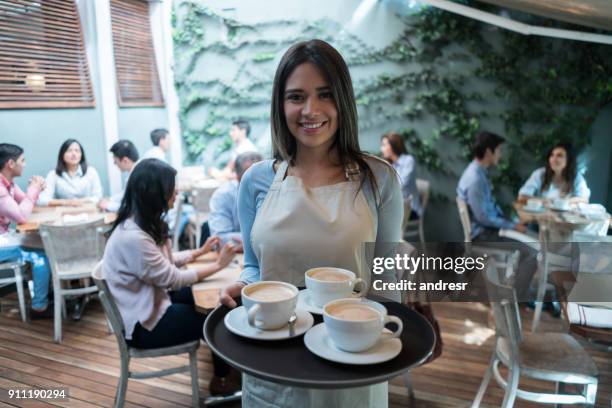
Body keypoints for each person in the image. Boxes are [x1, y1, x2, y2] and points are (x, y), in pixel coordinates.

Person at [219, 39, 403, 408]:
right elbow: (256, 267)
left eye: (324, 94)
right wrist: (242, 285)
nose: (310, 110)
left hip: (353, 363)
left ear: (343, 101)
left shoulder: (379, 179)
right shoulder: (255, 180)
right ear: (280, 104)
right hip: (273, 363)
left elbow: (387, 280)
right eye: (296, 97)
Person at [103, 158, 240, 395]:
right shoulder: (133, 237)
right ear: (153, 193)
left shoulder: (139, 224)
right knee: (216, 318)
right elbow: (172, 278)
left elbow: (163, 262)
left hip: (152, 302)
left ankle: (225, 372)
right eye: (170, 189)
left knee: (211, 299)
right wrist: (218, 265)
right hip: (144, 325)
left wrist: (200, 252)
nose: (176, 193)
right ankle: (222, 381)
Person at [0, 143, 52, 318]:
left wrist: (36, 189)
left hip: (5, 237)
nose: (25, 164)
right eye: (22, 160)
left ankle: (44, 293)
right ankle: (39, 307)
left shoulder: (8, 184)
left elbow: (28, 202)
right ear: (10, 164)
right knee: (41, 257)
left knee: (45, 244)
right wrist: (33, 190)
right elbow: (21, 216)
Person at [457, 131, 527, 241]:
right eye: (499, 150)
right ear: (489, 152)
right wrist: (512, 226)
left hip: (489, 228)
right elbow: (483, 218)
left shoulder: (479, 172)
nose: (500, 154)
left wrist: (510, 223)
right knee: (530, 244)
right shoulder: (475, 179)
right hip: (483, 234)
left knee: (527, 233)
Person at [208, 152, 263, 247]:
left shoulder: (274, 192)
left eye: (262, 175)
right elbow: (219, 238)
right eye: (252, 177)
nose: (259, 181)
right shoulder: (223, 196)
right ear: (237, 178)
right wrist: (261, 241)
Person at [518, 141, 590, 204]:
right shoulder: (540, 173)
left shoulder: (576, 176)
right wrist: (547, 202)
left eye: (559, 156)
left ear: (569, 160)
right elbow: (522, 197)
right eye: (552, 155)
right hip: (542, 216)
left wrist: (564, 202)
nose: (553, 159)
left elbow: (584, 199)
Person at [37, 139, 103, 206]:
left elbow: (98, 197)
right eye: (69, 151)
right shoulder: (53, 174)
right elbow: (42, 200)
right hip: (62, 213)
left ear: (81, 155)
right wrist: (66, 202)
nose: (74, 154)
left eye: (77, 151)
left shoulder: (91, 172)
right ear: (62, 155)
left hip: (88, 211)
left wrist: (80, 201)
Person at [380, 132, 422, 219]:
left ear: (393, 145)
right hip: (393, 209)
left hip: (410, 209)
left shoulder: (408, 160)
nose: (381, 149)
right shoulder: (387, 164)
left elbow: (400, 185)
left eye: (384, 145)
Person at [98, 140, 139, 212]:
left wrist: (108, 205)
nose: (114, 164)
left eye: (115, 161)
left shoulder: (140, 176)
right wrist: (110, 199)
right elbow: (126, 194)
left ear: (125, 160)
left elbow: (131, 207)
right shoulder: (135, 172)